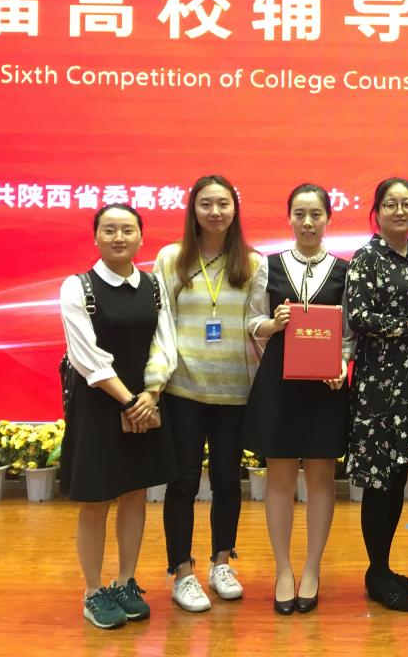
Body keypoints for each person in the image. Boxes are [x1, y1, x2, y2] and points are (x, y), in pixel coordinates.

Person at [58, 203, 177, 629]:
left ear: (141, 236)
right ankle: (93, 591)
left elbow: (165, 343)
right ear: (95, 237)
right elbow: (85, 356)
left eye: (127, 230)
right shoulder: (78, 287)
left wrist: (151, 393)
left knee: (134, 495)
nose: (118, 238)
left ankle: (126, 581)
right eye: (109, 230)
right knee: (95, 501)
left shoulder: (154, 285)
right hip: (100, 406)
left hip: (144, 402)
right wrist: (129, 401)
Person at [148, 174, 263, 613]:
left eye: (223, 204)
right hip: (184, 389)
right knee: (182, 482)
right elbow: (161, 325)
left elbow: (257, 325)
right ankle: (182, 572)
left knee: (228, 482)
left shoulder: (252, 263)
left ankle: (221, 564)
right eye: (206, 204)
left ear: (235, 209)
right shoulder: (171, 259)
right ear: (193, 210)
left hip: (235, 391)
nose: (215, 212)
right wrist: (156, 382)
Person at [243, 184, 353, 615]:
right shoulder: (267, 266)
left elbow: (349, 334)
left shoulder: (344, 271)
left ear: (328, 219)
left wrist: (341, 363)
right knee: (280, 479)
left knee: (322, 477)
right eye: (300, 214)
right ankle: (283, 570)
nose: (308, 223)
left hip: (325, 388)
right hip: (280, 384)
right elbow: (251, 321)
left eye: (316, 214)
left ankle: (312, 568)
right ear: (289, 217)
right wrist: (273, 324)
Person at [345, 177, 408, 612]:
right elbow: (359, 317)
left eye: (407, 203)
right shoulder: (366, 258)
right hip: (379, 384)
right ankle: (376, 573)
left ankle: (383, 567)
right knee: (379, 481)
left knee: (400, 475)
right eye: (390, 204)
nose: (400, 211)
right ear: (377, 212)